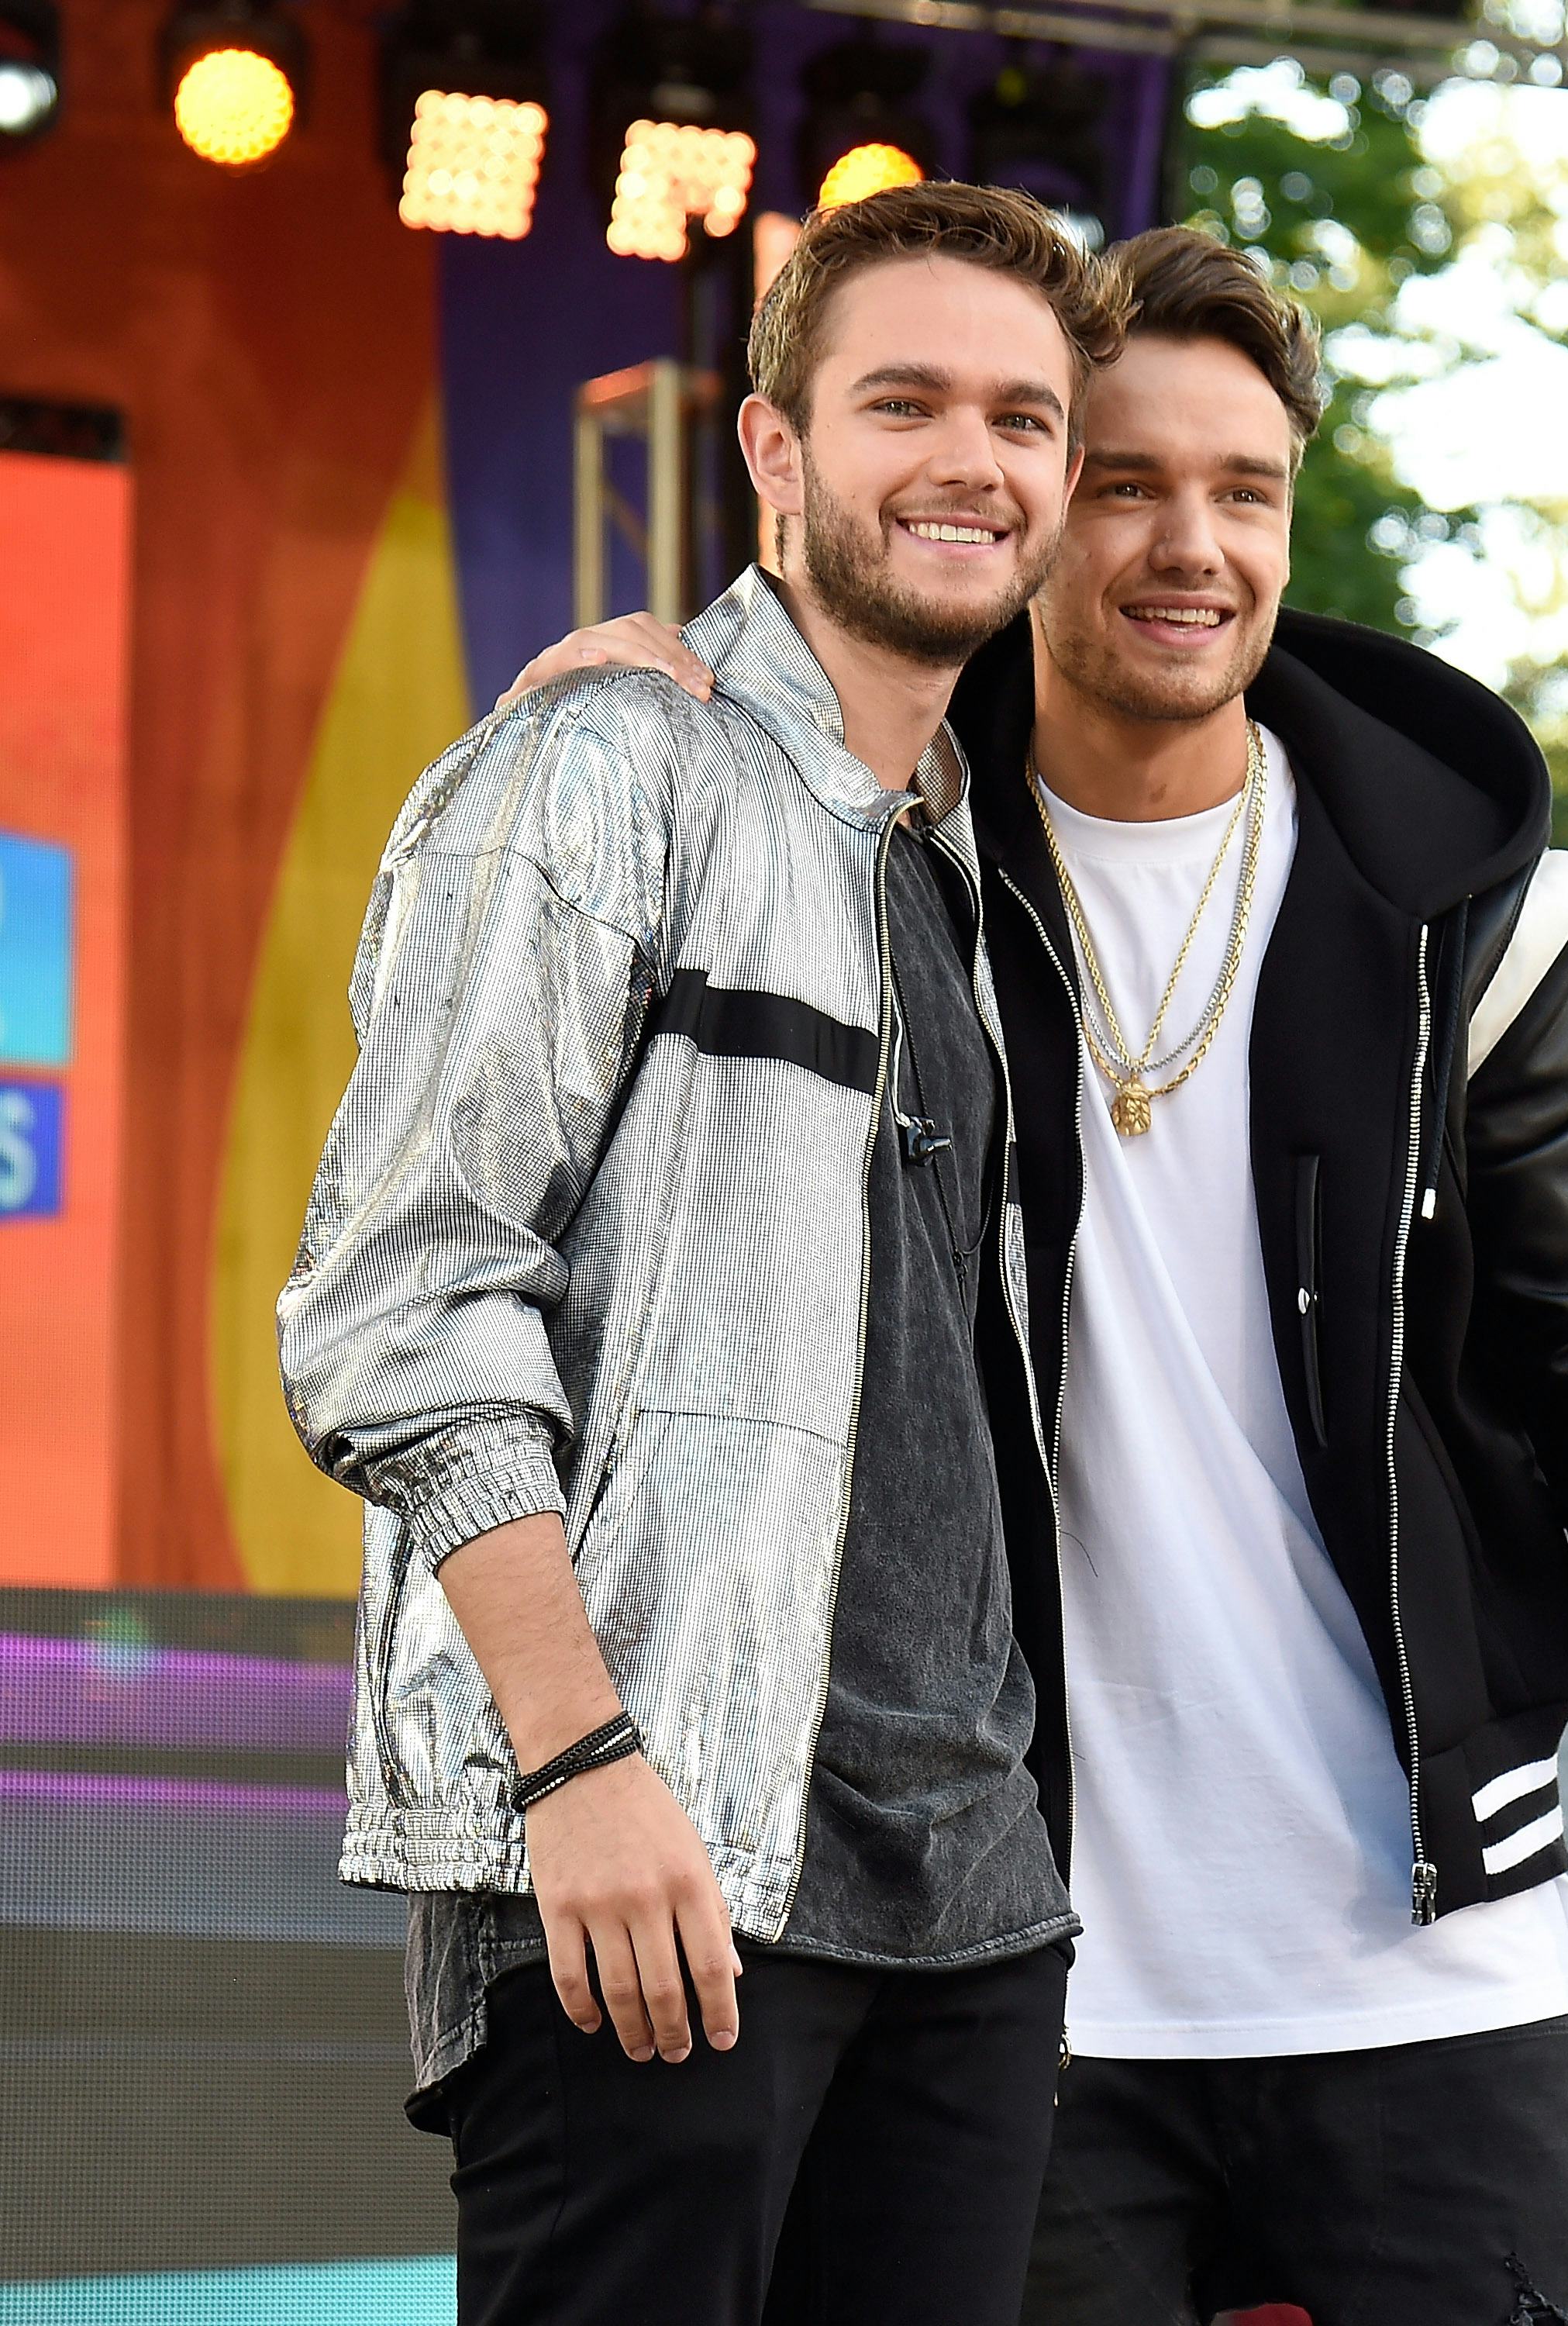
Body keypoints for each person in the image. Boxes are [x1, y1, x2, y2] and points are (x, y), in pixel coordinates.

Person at [501, 226, 1568, 2326]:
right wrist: (644, 676)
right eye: (1123, 481)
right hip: (1008, 1968)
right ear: (1033, 508)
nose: (1187, 544)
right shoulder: (879, 853)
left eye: (1247, 490)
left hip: (1427, 1952)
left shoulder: (1455, 926)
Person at [276, 183, 1130, 2326]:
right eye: (905, 402)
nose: (975, 460)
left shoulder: (982, 880)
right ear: (771, 450)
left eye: (1026, 419)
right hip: (655, 1884)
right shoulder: (604, 762)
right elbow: (400, 1303)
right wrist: (576, 1763)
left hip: (973, 1917)